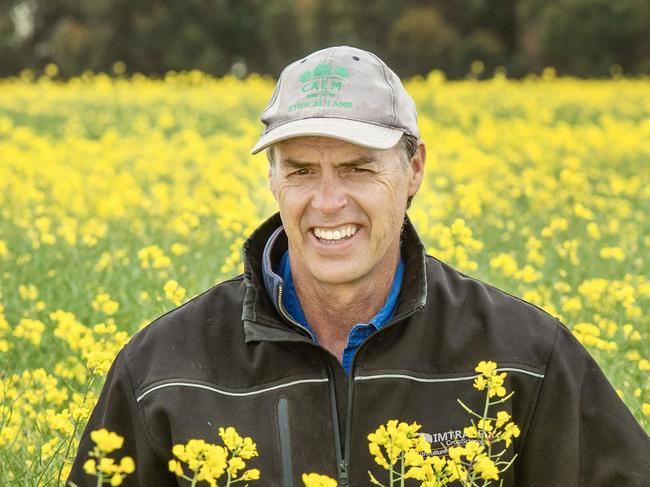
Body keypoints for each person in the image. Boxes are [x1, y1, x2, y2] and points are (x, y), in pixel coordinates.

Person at [68, 46, 649, 486]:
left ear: (414, 169)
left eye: (357, 168)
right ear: (271, 178)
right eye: (299, 170)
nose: (326, 203)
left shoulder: (526, 358)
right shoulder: (163, 370)